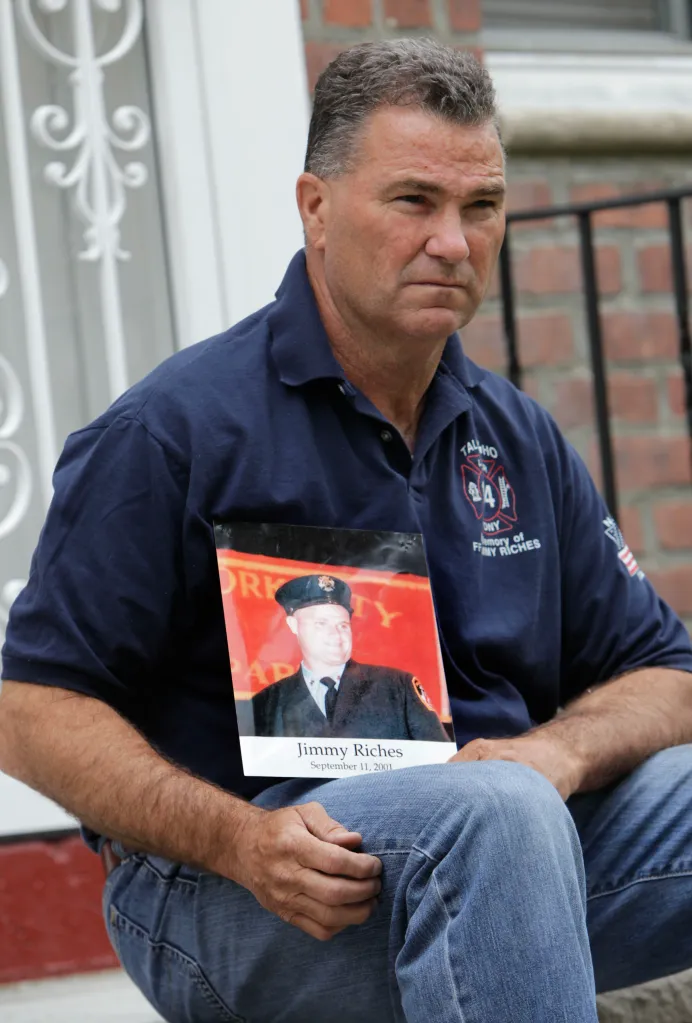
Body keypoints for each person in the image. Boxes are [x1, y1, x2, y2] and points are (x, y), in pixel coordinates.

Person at [1, 38, 691, 1023]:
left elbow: (666, 672)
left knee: (505, 807)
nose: (453, 241)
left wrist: (560, 755)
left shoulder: (514, 435)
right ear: (314, 208)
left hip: (507, 844)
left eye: (480, 207)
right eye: (413, 201)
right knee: (492, 813)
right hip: (242, 892)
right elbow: (30, 714)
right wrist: (240, 841)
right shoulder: (176, 431)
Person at [245, 573, 451, 740]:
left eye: (343, 625)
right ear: (293, 625)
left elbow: (441, 764)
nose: (336, 635)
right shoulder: (265, 704)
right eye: (321, 624)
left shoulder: (398, 687)